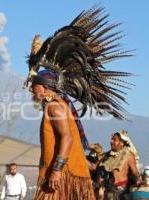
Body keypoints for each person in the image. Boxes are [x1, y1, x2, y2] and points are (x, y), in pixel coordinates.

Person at [24, 6, 133, 200]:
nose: (30, 89)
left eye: (33, 85)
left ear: (45, 87)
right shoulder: (57, 105)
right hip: (64, 173)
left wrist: (57, 170)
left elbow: (66, 138)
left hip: (63, 176)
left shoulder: (55, 107)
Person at [97, 131, 141, 200]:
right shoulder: (106, 156)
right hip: (106, 191)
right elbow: (95, 167)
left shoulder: (128, 155)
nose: (111, 141)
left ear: (122, 143)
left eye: (114, 140)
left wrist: (139, 180)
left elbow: (135, 172)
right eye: (111, 139)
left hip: (121, 193)